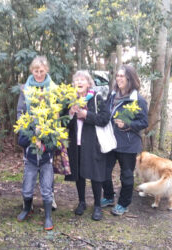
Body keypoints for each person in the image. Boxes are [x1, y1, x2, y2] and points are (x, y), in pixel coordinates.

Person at [16, 56, 57, 230]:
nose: (39, 74)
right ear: (31, 71)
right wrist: (29, 130)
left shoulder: (53, 88)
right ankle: (27, 207)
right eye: (35, 71)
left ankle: (48, 215)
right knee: (27, 186)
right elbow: (20, 111)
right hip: (30, 144)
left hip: (47, 144)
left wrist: (47, 133)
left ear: (46, 70)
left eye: (41, 71)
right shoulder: (26, 89)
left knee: (47, 187)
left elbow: (57, 113)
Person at [101, 65, 148, 216]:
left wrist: (128, 124)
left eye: (122, 76)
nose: (119, 78)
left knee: (126, 175)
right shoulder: (112, 95)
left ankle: (123, 203)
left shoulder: (138, 100)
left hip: (128, 144)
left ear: (130, 79)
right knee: (104, 172)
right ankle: (108, 197)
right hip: (110, 141)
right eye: (117, 76)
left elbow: (144, 122)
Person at [64, 71, 110, 221]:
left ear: (89, 83)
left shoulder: (96, 98)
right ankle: (82, 202)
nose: (79, 81)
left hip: (93, 144)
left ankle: (97, 205)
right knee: (79, 175)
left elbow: (105, 118)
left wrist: (86, 115)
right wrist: (70, 114)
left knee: (96, 175)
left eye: (82, 79)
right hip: (75, 144)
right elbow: (64, 123)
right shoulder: (71, 100)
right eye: (76, 79)